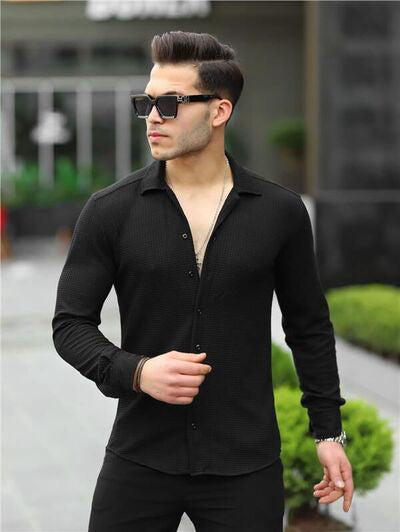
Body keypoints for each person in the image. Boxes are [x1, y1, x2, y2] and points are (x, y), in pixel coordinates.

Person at [52, 31, 354, 532]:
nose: (153, 117)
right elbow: (70, 324)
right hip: (140, 457)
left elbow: (309, 327)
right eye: (146, 103)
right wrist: (137, 371)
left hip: (246, 464)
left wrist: (329, 433)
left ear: (219, 111)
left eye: (170, 103)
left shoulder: (280, 212)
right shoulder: (110, 210)